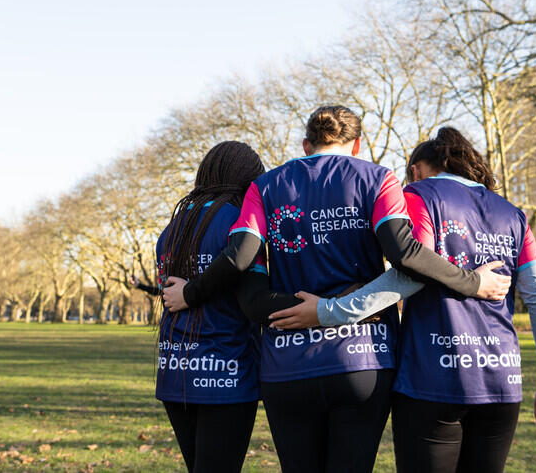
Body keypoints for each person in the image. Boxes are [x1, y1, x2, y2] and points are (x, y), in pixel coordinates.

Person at [162, 106, 512, 472]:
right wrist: (472, 281)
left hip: (287, 366)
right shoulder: (380, 179)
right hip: (362, 360)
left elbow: (239, 259)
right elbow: (407, 256)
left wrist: (191, 292)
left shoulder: (264, 187)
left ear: (305, 144)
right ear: (357, 144)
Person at [270, 127, 536, 473]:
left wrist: (328, 310)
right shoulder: (513, 215)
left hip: (432, 380)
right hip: (501, 382)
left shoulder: (419, 195)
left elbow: (409, 272)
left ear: (416, 169)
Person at [154, 140, 268, 473]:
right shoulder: (241, 221)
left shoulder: (173, 226)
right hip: (227, 370)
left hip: (176, 369)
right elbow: (250, 294)